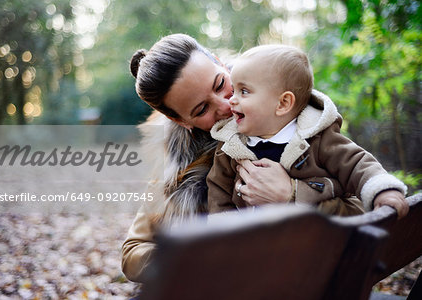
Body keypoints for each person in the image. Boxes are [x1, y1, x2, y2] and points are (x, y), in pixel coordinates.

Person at [122, 34, 364, 283]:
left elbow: (362, 211)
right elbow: (132, 252)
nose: (226, 105)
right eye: (202, 109)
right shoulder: (177, 168)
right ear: (180, 121)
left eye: (219, 85)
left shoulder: (292, 118)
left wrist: (291, 195)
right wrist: (195, 259)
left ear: (221, 63)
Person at [207, 44, 409, 218]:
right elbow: (219, 195)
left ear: (283, 103)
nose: (232, 99)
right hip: (261, 248)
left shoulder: (317, 138)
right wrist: (224, 240)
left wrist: (384, 191)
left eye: (244, 91)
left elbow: (357, 164)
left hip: (316, 243)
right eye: (234, 89)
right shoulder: (229, 148)